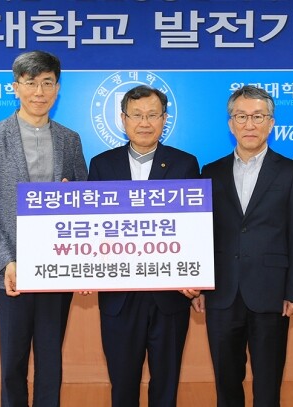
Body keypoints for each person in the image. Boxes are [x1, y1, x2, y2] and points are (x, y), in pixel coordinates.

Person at [0, 50, 88, 406]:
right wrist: (6, 260)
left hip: (57, 268)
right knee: (13, 361)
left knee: (51, 359)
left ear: (58, 88)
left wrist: (72, 198)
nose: (39, 92)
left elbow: (85, 202)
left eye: (47, 83)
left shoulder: (70, 139)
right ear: (15, 87)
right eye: (31, 83)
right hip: (12, 271)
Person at [196, 85, 293, 406]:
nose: (249, 124)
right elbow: (202, 233)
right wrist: (200, 284)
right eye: (241, 116)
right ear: (230, 124)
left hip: (271, 291)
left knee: (268, 380)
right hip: (222, 292)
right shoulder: (210, 172)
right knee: (226, 379)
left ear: (271, 123)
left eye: (258, 117)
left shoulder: (291, 172)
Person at [87, 85, 200, 407]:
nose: (145, 123)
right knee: (122, 383)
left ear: (164, 119)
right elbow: (91, 228)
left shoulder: (185, 164)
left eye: (153, 115)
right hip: (119, 298)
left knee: (166, 383)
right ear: (123, 119)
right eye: (136, 115)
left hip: (170, 295)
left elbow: (195, 226)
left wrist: (197, 276)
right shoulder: (102, 165)